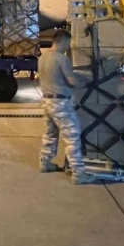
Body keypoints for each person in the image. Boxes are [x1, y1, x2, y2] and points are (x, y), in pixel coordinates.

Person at [37, 30, 96, 185]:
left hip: (46, 101)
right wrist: (85, 82)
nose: (68, 47)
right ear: (63, 41)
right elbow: (72, 81)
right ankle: (78, 173)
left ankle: (45, 162)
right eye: (68, 43)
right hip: (60, 103)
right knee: (72, 136)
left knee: (50, 134)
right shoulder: (62, 59)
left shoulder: (42, 58)